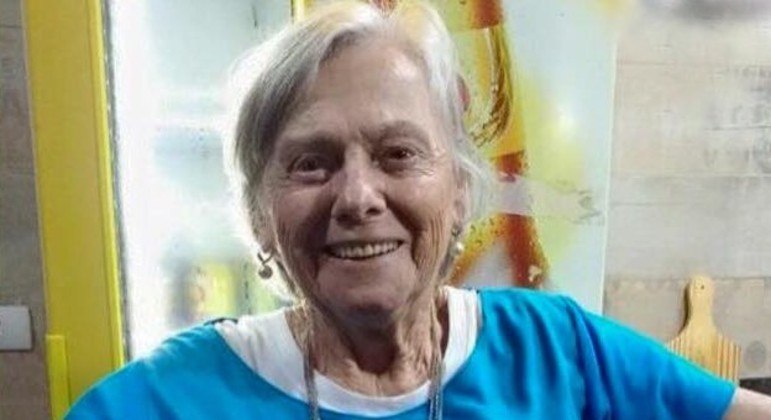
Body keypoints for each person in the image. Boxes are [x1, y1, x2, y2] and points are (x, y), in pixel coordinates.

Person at [67, 1, 771, 419]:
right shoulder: (163, 401)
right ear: (257, 214)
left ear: (459, 190)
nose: (358, 196)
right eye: (310, 162)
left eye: (398, 153)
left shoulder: (557, 351)